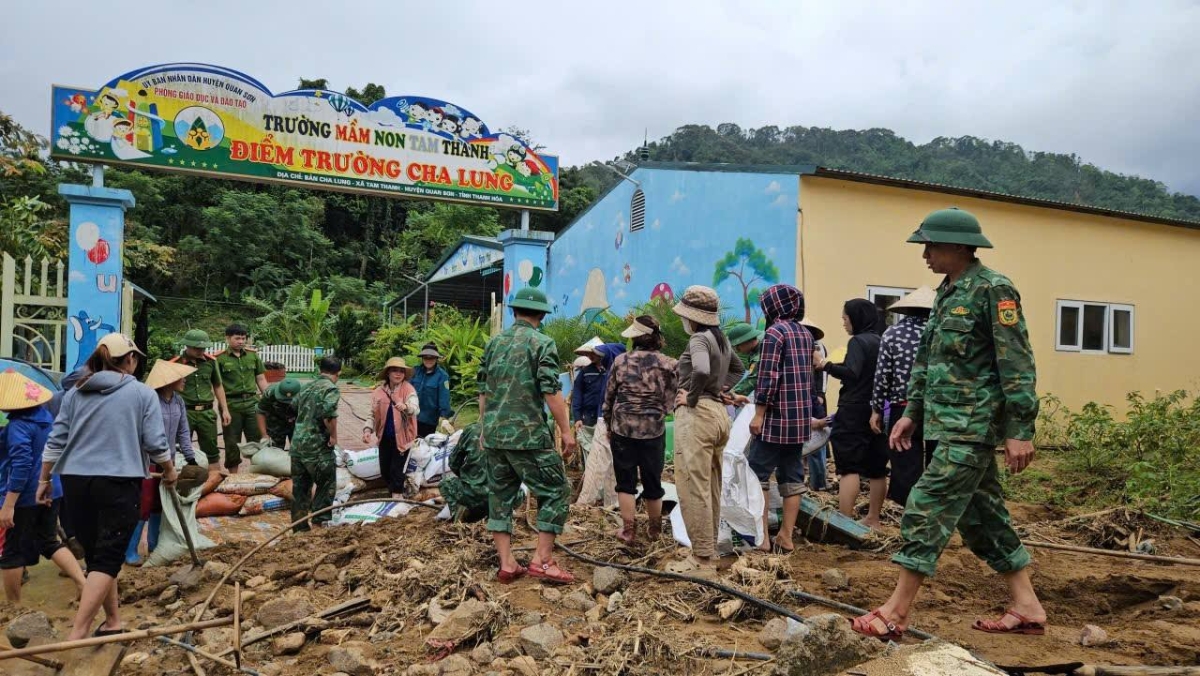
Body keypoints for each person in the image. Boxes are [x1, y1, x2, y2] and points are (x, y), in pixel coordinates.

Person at [852, 207, 1044, 641]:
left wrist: (1020, 430)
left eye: (931, 244)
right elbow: (927, 362)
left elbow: (1016, 363)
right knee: (983, 517)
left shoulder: (994, 290)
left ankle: (896, 612)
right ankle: (1028, 606)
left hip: (972, 426)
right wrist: (911, 414)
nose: (924, 254)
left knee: (926, 503)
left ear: (958, 246)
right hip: (943, 423)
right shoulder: (946, 292)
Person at [39, 333, 177, 640]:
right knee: (109, 556)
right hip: (118, 481)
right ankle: (78, 632)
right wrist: (169, 470)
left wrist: (44, 479)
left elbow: (56, 439)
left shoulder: (76, 393)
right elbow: (155, 443)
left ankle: (113, 620)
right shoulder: (142, 394)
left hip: (75, 481)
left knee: (98, 555)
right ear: (130, 359)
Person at [477, 287, 576, 584]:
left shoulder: (494, 343)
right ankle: (543, 560)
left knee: (500, 497)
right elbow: (550, 390)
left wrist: (484, 428)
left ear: (513, 311)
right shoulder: (542, 343)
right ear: (542, 315)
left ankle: (506, 563)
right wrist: (566, 430)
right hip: (528, 436)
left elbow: (482, 389)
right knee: (556, 490)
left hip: (495, 436)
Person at [672, 285, 744, 574]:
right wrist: (721, 390)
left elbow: (700, 370)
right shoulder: (721, 339)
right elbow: (738, 370)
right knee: (711, 486)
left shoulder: (699, 339)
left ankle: (700, 559)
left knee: (693, 486)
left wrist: (690, 395)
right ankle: (708, 551)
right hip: (717, 414)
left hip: (698, 414)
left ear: (691, 317)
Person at [0, 371, 86, 603]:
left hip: (25, 495)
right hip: (52, 487)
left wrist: (8, 505)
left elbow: (21, 465)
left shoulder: (19, 426)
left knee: (11, 552)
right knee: (49, 541)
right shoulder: (46, 417)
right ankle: (82, 583)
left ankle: (13, 607)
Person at [748, 284, 814, 554]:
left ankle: (762, 537)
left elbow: (768, 377)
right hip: (799, 419)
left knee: (758, 476)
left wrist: (759, 413)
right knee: (792, 476)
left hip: (775, 418)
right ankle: (786, 536)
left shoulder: (774, 333)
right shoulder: (806, 334)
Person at [604, 315, 678, 543]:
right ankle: (655, 531)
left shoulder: (621, 361)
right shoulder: (669, 364)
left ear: (635, 337)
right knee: (653, 482)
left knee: (625, 482)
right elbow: (674, 397)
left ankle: (628, 531)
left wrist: (608, 424)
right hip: (653, 431)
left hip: (622, 429)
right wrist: (660, 411)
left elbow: (610, 396)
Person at [815, 299, 888, 527]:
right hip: (878, 408)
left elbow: (852, 372)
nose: (844, 323)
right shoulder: (881, 341)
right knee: (877, 467)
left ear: (856, 319)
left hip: (854, 408)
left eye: (845, 319)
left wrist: (824, 365)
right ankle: (873, 518)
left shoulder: (858, 342)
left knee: (849, 467)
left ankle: (844, 522)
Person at [126, 360, 202, 566]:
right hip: (147, 461)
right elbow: (142, 434)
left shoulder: (178, 401)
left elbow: (183, 432)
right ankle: (130, 550)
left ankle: (154, 544)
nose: (184, 380)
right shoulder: (150, 401)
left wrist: (190, 458)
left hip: (167, 461)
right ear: (168, 381)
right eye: (181, 377)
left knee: (160, 505)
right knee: (144, 504)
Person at [870, 287, 937, 506]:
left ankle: (906, 509)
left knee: (905, 461)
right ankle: (932, 506)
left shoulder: (893, 333)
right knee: (937, 461)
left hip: (902, 407)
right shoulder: (941, 332)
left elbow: (882, 376)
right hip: (939, 408)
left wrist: (877, 409)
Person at [291, 357, 342, 532]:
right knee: (326, 484)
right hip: (318, 447)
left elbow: (293, 405)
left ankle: (299, 530)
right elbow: (329, 415)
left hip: (297, 446)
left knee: (300, 489)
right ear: (338, 373)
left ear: (320, 370)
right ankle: (319, 527)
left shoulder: (306, 386)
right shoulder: (331, 388)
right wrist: (333, 436)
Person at [573, 340, 626, 508]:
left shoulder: (612, 373)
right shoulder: (620, 372)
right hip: (602, 420)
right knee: (611, 463)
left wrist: (607, 422)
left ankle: (584, 503)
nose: (595, 357)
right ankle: (612, 503)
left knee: (596, 461)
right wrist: (577, 417)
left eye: (599, 355)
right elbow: (578, 395)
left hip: (606, 422)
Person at [171, 329, 229, 476]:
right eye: (196, 348)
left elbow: (217, 385)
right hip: (185, 412)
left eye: (203, 348)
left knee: (212, 451)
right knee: (181, 450)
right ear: (187, 346)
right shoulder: (175, 363)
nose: (200, 351)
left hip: (207, 413)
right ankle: (185, 486)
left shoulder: (210, 362)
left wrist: (225, 409)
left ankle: (214, 484)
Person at [363, 358, 419, 498]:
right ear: (388, 373)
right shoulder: (378, 392)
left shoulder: (408, 389)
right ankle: (395, 492)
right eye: (395, 370)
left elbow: (415, 408)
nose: (398, 374)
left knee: (396, 470)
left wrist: (406, 407)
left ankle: (397, 497)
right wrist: (367, 430)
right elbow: (372, 414)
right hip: (384, 437)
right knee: (385, 470)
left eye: (401, 371)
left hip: (402, 438)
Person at [215, 324, 266, 473]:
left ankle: (257, 473)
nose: (241, 341)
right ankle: (233, 477)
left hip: (252, 403)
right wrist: (224, 408)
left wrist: (268, 399)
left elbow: (261, 379)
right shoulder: (219, 359)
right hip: (231, 404)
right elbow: (218, 385)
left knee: (256, 439)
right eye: (237, 338)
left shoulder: (252, 355)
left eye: (243, 338)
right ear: (227, 338)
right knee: (231, 441)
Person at [803, 319, 831, 491]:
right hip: (804, 396)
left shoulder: (817, 347)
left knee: (817, 438)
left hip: (814, 397)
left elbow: (822, 371)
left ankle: (819, 482)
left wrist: (820, 394)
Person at [412, 343, 453, 438]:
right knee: (408, 446)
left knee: (423, 447)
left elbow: (444, 398)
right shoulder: (415, 371)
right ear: (422, 358)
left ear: (436, 358)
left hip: (428, 419)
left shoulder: (442, 376)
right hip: (411, 417)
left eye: (432, 358)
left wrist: (444, 417)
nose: (428, 360)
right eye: (426, 358)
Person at [257, 378, 302, 450]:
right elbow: (260, 412)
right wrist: (264, 435)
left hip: (297, 423)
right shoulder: (270, 393)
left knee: (299, 451)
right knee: (273, 452)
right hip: (276, 423)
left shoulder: (307, 394)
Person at [728, 322, 763, 400]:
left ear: (747, 340)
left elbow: (752, 380)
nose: (737, 350)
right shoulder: (760, 341)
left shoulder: (758, 358)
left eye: (738, 346)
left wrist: (732, 394)